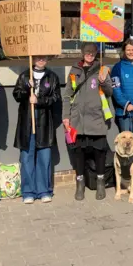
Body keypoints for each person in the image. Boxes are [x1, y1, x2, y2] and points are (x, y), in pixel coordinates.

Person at [62, 43, 113, 201]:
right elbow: (67, 95)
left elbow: (109, 92)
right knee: (79, 154)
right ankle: (80, 184)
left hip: (97, 118)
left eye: (92, 52)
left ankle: (100, 182)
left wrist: (104, 82)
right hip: (78, 120)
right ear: (82, 53)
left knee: (99, 153)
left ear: (96, 53)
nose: (90, 54)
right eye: (87, 52)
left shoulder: (102, 69)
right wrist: (66, 116)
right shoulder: (74, 71)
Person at [13, 55, 61, 204]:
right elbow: (16, 95)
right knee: (27, 157)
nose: (41, 60)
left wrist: (39, 101)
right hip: (27, 123)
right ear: (33, 59)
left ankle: (44, 190)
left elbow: (55, 97)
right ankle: (28, 191)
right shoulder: (24, 76)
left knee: (44, 158)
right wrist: (27, 88)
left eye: (44, 57)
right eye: (38, 57)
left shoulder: (52, 77)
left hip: (45, 123)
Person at [110, 40, 133, 152]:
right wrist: (127, 104)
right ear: (124, 51)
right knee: (126, 144)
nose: (131, 52)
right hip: (125, 112)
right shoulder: (117, 67)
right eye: (128, 50)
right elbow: (116, 89)